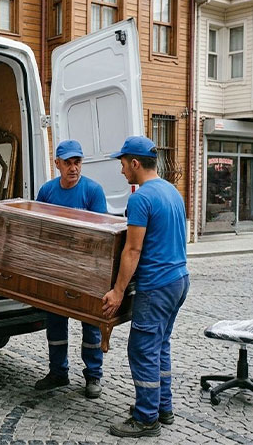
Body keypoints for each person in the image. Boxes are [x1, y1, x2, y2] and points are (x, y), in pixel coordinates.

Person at [102, 136, 189, 438]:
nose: (122, 169)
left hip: (156, 285)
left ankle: (146, 418)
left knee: (142, 349)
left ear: (135, 163)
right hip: (179, 280)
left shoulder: (140, 198)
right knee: (160, 344)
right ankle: (163, 407)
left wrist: (117, 291)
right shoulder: (171, 191)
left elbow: (132, 250)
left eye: (123, 163)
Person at [33, 139, 108, 399]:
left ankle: (93, 376)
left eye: (77, 162)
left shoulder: (93, 191)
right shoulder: (47, 192)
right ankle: (58, 372)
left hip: (87, 273)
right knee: (54, 321)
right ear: (57, 164)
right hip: (56, 271)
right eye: (68, 163)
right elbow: (40, 230)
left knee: (91, 324)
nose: (73, 168)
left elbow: (102, 236)